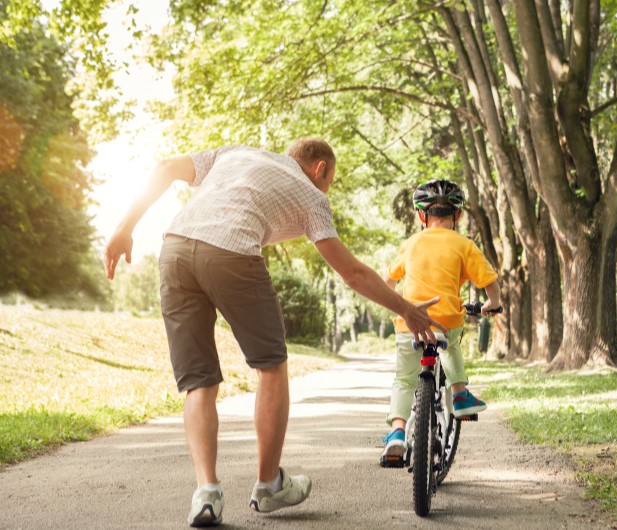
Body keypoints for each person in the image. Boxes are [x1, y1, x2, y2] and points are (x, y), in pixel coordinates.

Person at [103, 140, 445, 527]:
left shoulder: (234, 153)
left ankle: (207, 493)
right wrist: (407, 311)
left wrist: (123, 228)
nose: (327, 190)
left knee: (198, 381)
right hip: (231, 253)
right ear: (319, 170)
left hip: (175, 250)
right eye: (330, 181)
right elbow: (352, 273)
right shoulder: (311, 194)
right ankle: (268, 486)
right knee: (271, 366)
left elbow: (164, 167)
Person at [380, 179, 501, 466]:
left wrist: (398, 306)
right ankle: (459, 395)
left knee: (404, 378)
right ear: (457, 215)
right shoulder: (464, 244)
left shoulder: (411, 243)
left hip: (409, 319)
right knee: (450, 348)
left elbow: (388, 281)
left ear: (422, 216)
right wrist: (492, 304)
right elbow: (489, 282)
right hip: (445, 318)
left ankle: (397, 432)